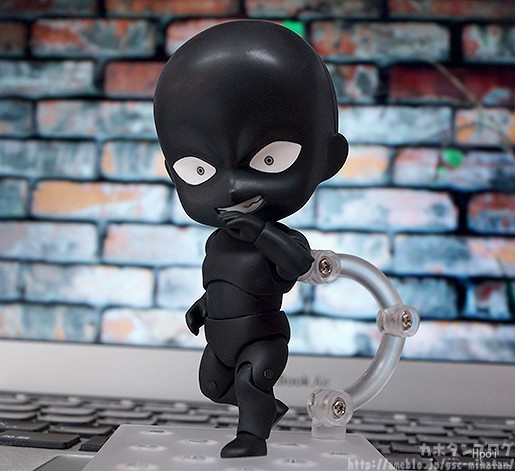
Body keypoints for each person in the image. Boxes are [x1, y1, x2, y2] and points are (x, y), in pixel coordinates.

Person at [153, 20, 348, 458]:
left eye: (269, 160)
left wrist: (260, 231)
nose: (232, 188)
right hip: (221, 333)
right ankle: (266, 410)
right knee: (212, 386)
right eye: (198, 170)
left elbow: (297, 264)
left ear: (329, 158)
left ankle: (252, 436)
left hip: (262, 336)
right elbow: (221, 282)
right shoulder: (219, 242)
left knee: (251, 379)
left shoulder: (274, 237)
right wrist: (203, 307)